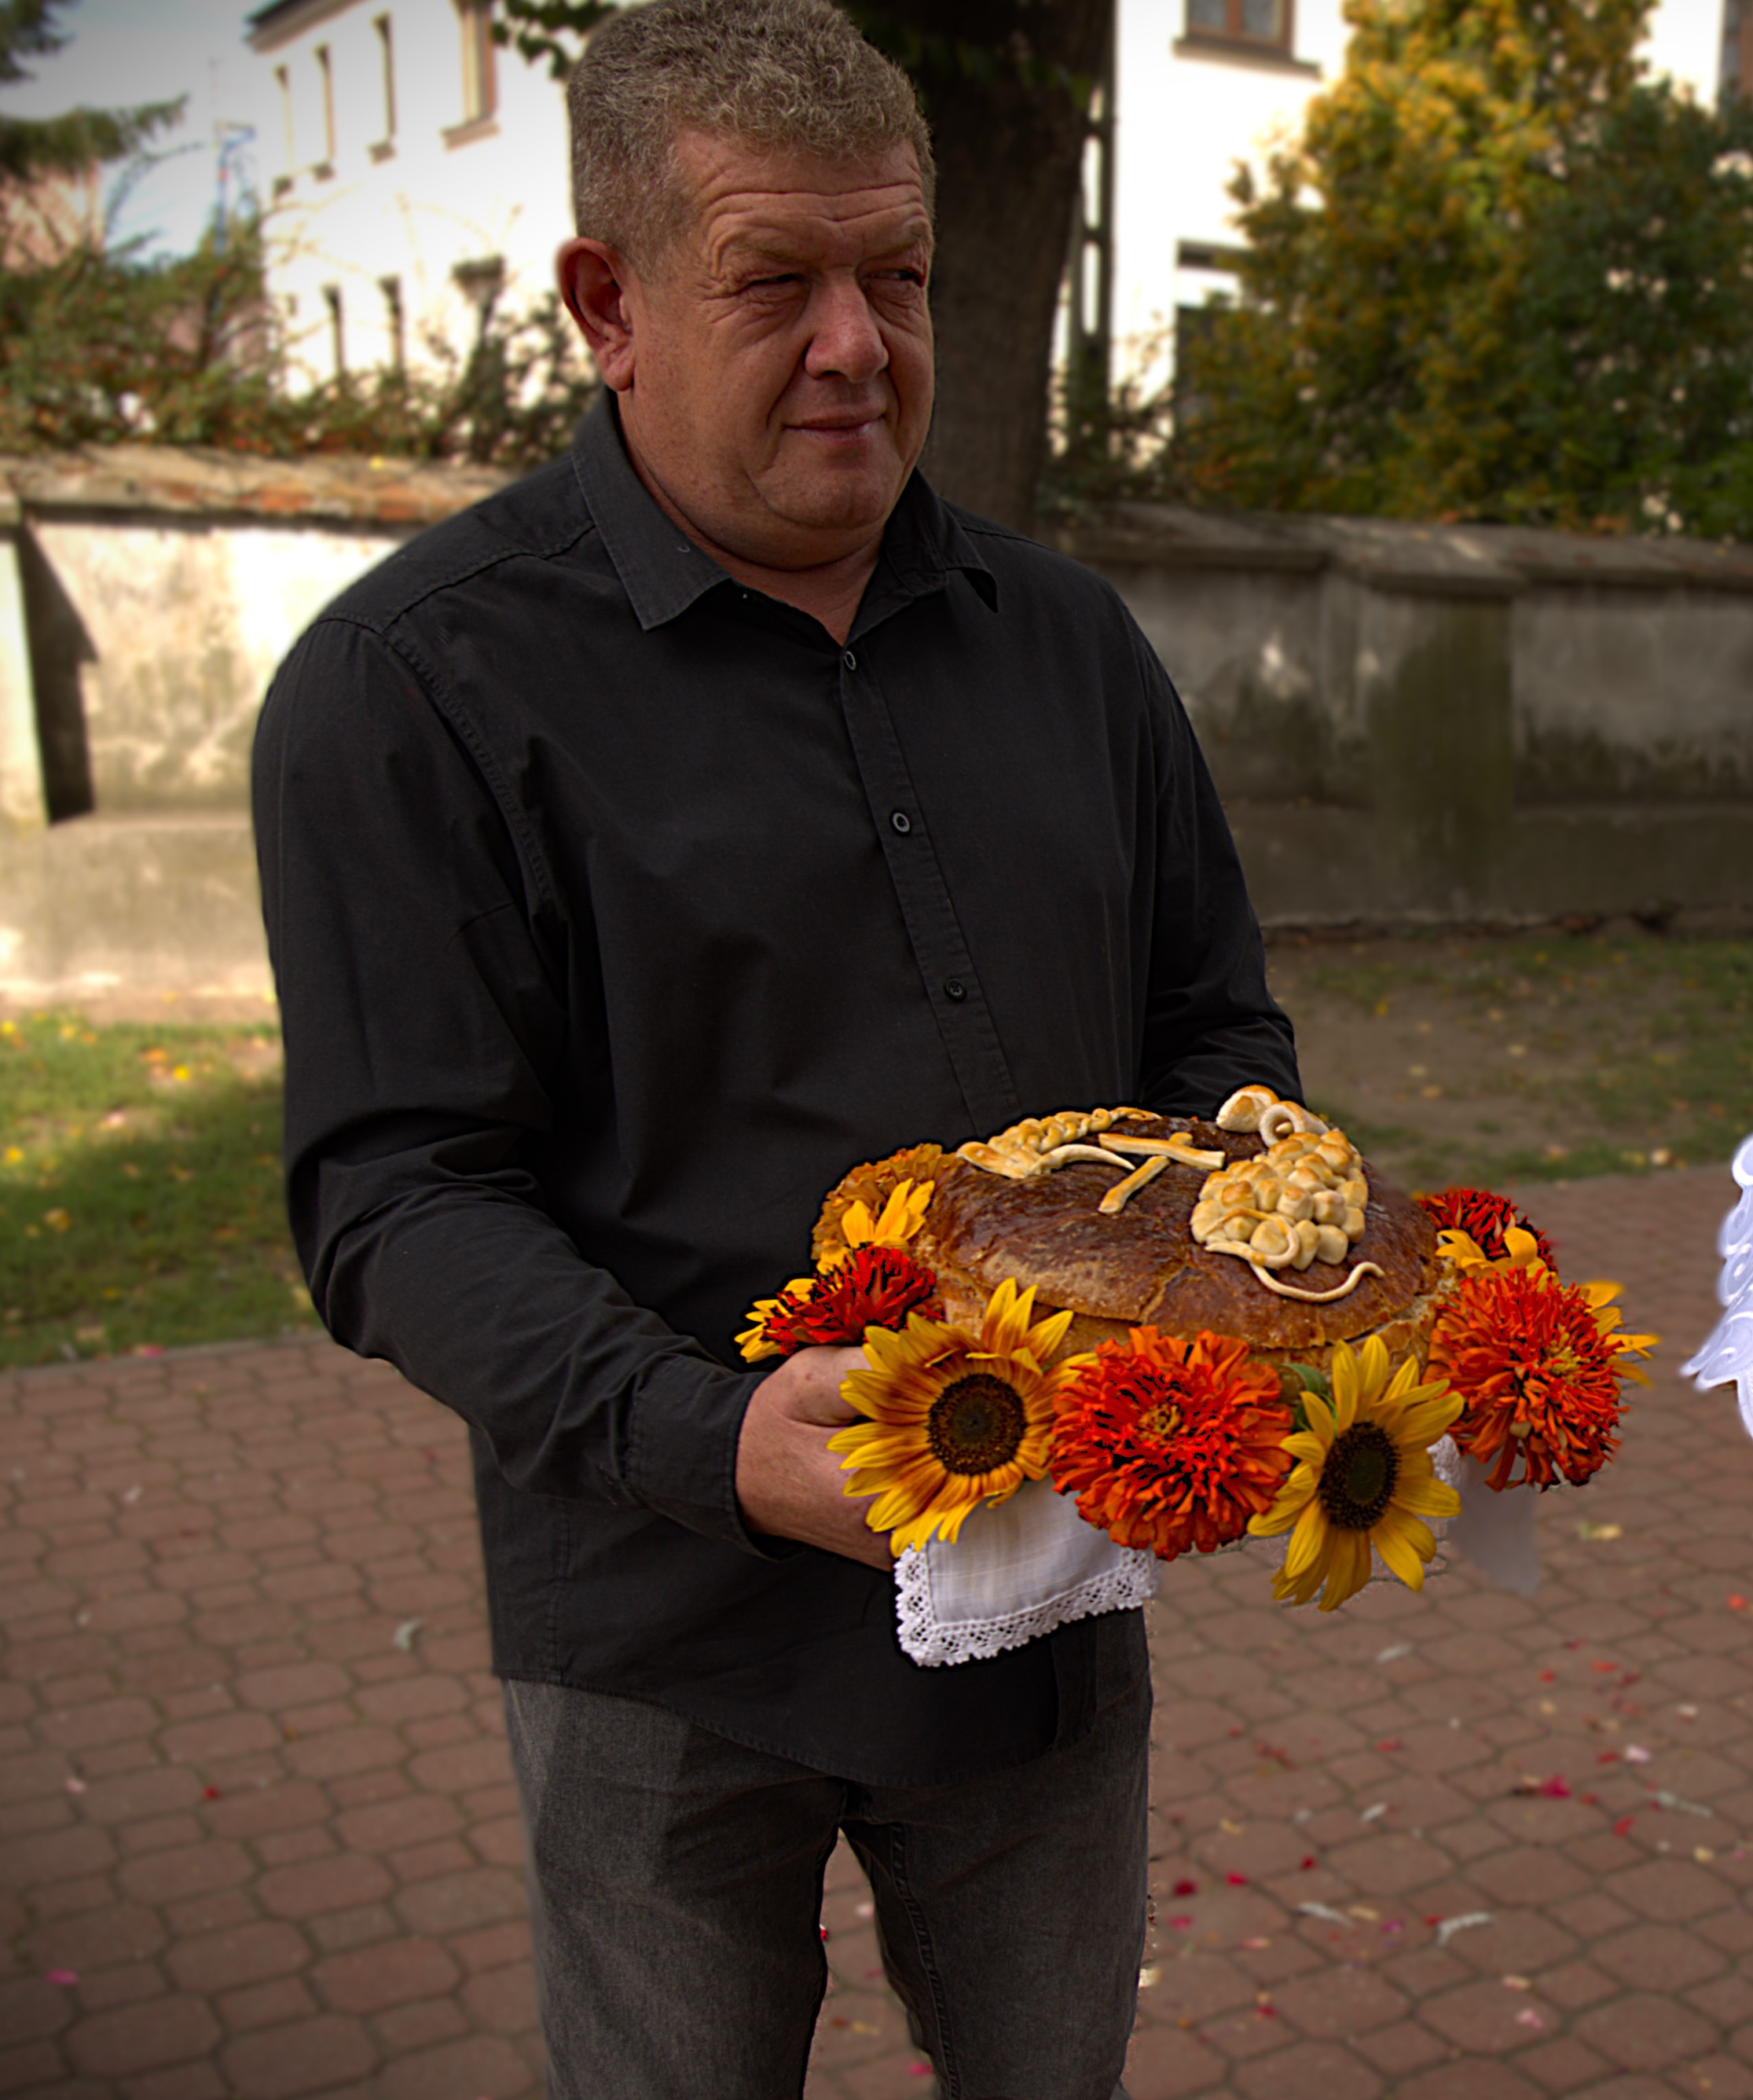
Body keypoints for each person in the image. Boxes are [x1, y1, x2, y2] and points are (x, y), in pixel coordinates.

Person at [250, 2, 1294, 2091]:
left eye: (896, 276)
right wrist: (698, 1435)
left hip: (1046, 1591)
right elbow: (391, 1190)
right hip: (664, 1631)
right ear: (606, 306)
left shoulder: (1070, 643)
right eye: (774, 281)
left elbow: (1214, 1027)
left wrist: (1229, 1267)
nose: (854, 346)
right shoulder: (411, 687)